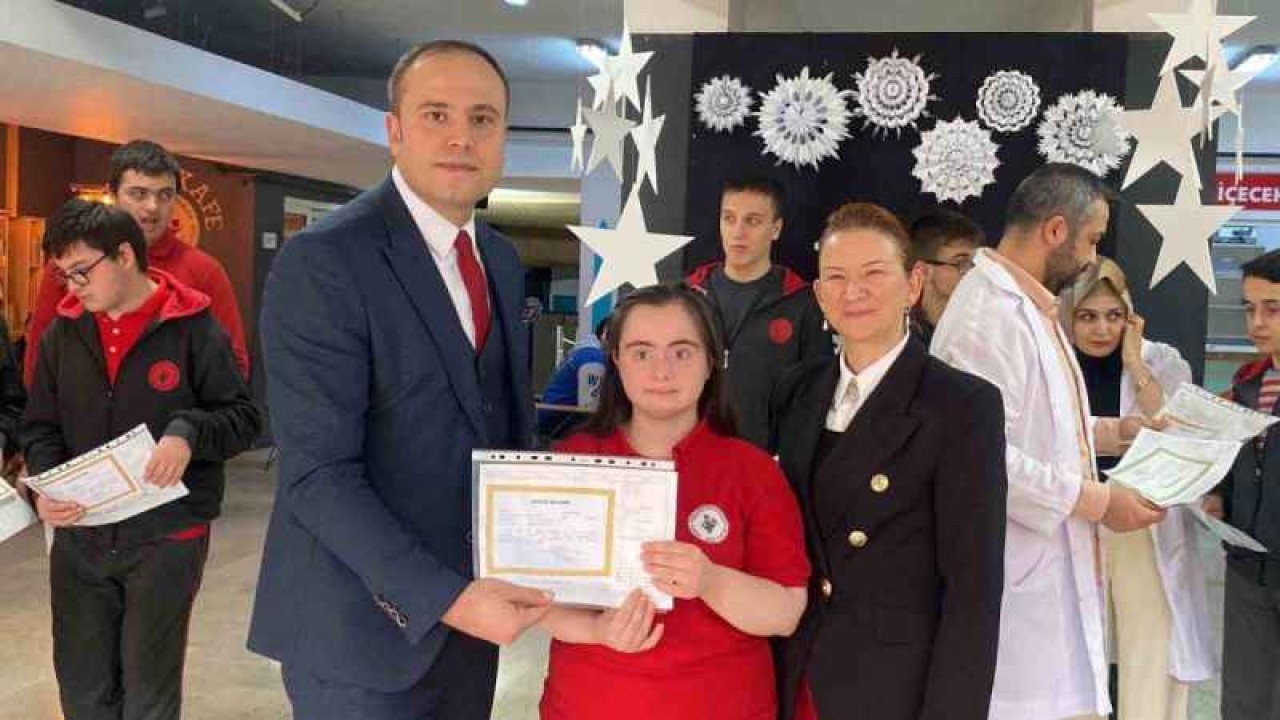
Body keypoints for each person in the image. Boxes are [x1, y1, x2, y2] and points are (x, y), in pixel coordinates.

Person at [247, 40, 551, 719]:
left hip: (471, 631)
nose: (461, 137)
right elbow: (316, 474)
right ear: (394, 131)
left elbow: (501, 431)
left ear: (503, 136)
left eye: (482, 119)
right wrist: (448, 599)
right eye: (436, 114)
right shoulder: (325, 261)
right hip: (358, 637)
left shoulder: (500, 261)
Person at [931, 163, 1166, 720]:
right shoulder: (986, 317)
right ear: (1056, 230)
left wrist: (1116, 433)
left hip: (1050, 593)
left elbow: (1042, 426)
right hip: (1016, 604)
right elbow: (983, 460)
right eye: (1092, 240)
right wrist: (1100, 502)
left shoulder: (1029, 306)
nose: (1092, 258)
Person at [21, 198, 260, 720]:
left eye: (81, 271)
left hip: (166, 538)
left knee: (149, 691)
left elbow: (244, 418)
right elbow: (39, 426)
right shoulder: (64, 333)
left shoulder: (194, 327)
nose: (73, 287)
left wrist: (188, 433)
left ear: (125, 255)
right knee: (83, 689)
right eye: (63, 275)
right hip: (81, 535)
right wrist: (44, 489)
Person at [770, 202, 1007, 720]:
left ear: (913, 284)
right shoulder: (797, 390)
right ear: (819, 294)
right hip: (795, 674)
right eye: (836, 277)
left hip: (892, 689)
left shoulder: (962, 405)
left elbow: (972, 591)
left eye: (873, 273)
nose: (852, 292)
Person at [538, 283, 809, 720]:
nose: (661, 371)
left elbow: (785, 612)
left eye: (682, 352)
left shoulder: (753, 472)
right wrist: (596, 628)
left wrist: (710, 581)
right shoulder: (574, 461)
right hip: (589, 703)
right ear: (616, 361)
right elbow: (535, 598)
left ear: (711, 362)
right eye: (642, 352)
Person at [1062, 258, 1214, 720]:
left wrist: (1134, 361)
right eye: (1087, 316)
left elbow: (1178, 431)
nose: (1102, 329)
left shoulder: (1161, 360)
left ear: (1131, 317)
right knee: (1072, 653)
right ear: (1067, 315)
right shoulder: (1051, 362)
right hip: (1073, 513)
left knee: (1148, 649)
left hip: (1142, 522)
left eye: (1114, 316)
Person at [23, 140, 248, 386]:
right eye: (139, 194)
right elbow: (38, 361)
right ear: (112, 195)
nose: (152, 207)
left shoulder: (205, 271)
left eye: (165, 195)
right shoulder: (71, 266)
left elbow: (233, 367)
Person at [686, 176, 829, 450]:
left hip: (766, 460)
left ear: (775, 229)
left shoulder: (802, 302)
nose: (738, 232)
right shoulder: (689, 295)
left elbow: (814, 396)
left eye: (752, 221)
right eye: (729, 219)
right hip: (692, 454)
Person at [1204, 248, 1280, 720]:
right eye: (1249, 309)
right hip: (1248, 568)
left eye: (1272, 308)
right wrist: (1220, 497)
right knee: (1243, 702)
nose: (1257, 323)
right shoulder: (1248, 383)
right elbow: (1242, 462)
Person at [908, 207, 984, 345]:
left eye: (976, 262)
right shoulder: (902, 340)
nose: (973, 271)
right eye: (961, 263)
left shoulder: (982, 332)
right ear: (923, 271)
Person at [537, 317, 608, 439]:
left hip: (555, 417)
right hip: (558, 423)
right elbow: (590, 408)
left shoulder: (586, 352)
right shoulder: (593, 360)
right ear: (605, 334)